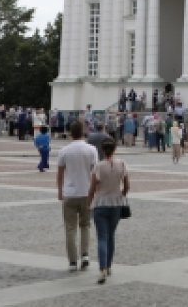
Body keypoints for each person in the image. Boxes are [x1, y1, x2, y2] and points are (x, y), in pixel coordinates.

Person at [57, 120, 98, 272]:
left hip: (70, 193)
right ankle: (85, 254)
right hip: (87, 192)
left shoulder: (64, 151)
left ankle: (73, 261)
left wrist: (60, 191)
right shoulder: (91, 150)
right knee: (86, 225)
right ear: (83, 132)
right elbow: (95, 173)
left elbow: (60, 174)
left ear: (70, 133)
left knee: (70, 228)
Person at [88, 138, 129, 285]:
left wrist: (89, 203)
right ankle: (109, 266)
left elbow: (92, 188)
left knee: (102, 237)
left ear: (103, 151)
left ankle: (102, 269)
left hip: (101, 204)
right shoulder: (122, 164)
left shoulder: (99, 167)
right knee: (111, 236)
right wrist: (121, 194)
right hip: (116, 204)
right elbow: (127, 186)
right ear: (114, 149)